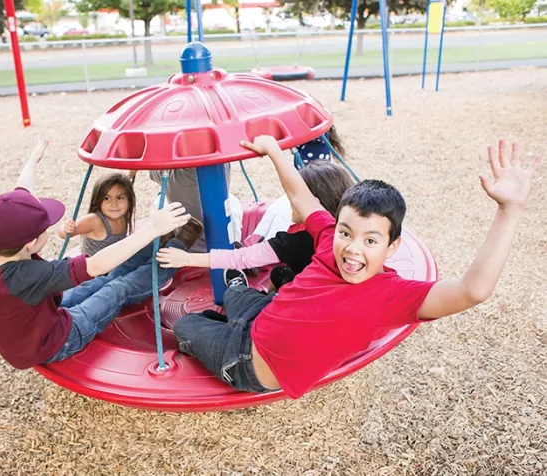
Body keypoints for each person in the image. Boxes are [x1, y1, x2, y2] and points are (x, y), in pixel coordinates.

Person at [173, 136, 540, 399]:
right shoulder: (328, 236)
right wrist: (273, 151)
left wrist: (510, 211)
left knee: (186, 324)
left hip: (247, 361)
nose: (351, 249)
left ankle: (222, 323)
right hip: (266, 318)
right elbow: (303, 196)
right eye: (346, 233)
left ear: (392, 246)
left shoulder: (390, 296)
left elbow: (470, 291)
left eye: (370, 240)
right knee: (238, 296)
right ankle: (235, 307)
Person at [0, 139, 202, 370]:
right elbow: (94, 265)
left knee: (104, 281)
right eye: (45, 228)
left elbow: (21, 193)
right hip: (56, 342)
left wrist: (33, 160)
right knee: (116, 289)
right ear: (31, 243)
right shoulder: (29, 275)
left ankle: (157, 242)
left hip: (42, 319)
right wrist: (152, 228)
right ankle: (174, 250)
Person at [156, 160, 355, 290]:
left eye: (292, 197)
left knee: (224, 307)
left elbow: (240, 258)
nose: (287, 201)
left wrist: (186, 259)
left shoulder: (295, 242)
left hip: (305, 301)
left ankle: (241, 294)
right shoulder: (348, 234)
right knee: (280, 273)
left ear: (315, 202)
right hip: (325, 292)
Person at [56, 173, 135, 256]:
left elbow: (123, 187)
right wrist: (66, 229)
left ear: (129, 202)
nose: (114, 204)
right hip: (94, 267)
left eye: (119, 198)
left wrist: (130, 174)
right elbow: (61, 233)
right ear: (98, 200)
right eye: (107, 198)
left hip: (115, 262)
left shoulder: (123, 214)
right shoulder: (95, 221)